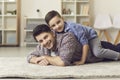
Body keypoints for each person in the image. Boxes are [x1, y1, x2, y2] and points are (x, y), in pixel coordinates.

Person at [45, 10, 120, 65]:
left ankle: (118, 56)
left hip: (90, 37)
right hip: (82, 41)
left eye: (58, 22)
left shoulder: (73, 27)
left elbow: (85, 43)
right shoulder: (54, 32)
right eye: (53, 25)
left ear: (62, 18)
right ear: (50, 27)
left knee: (98, 52)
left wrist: (82, 60)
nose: (57, 26)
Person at [27, 24, 104, 66]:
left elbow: (63, 62)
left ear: (53, 33)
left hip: (99, 50)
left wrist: (45, 57)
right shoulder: (42, 45)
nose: (44, 42)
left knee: (115, 50)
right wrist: (36, 60)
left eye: (46, 37)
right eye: (40, 41)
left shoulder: (67, 38)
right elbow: (29, 56)